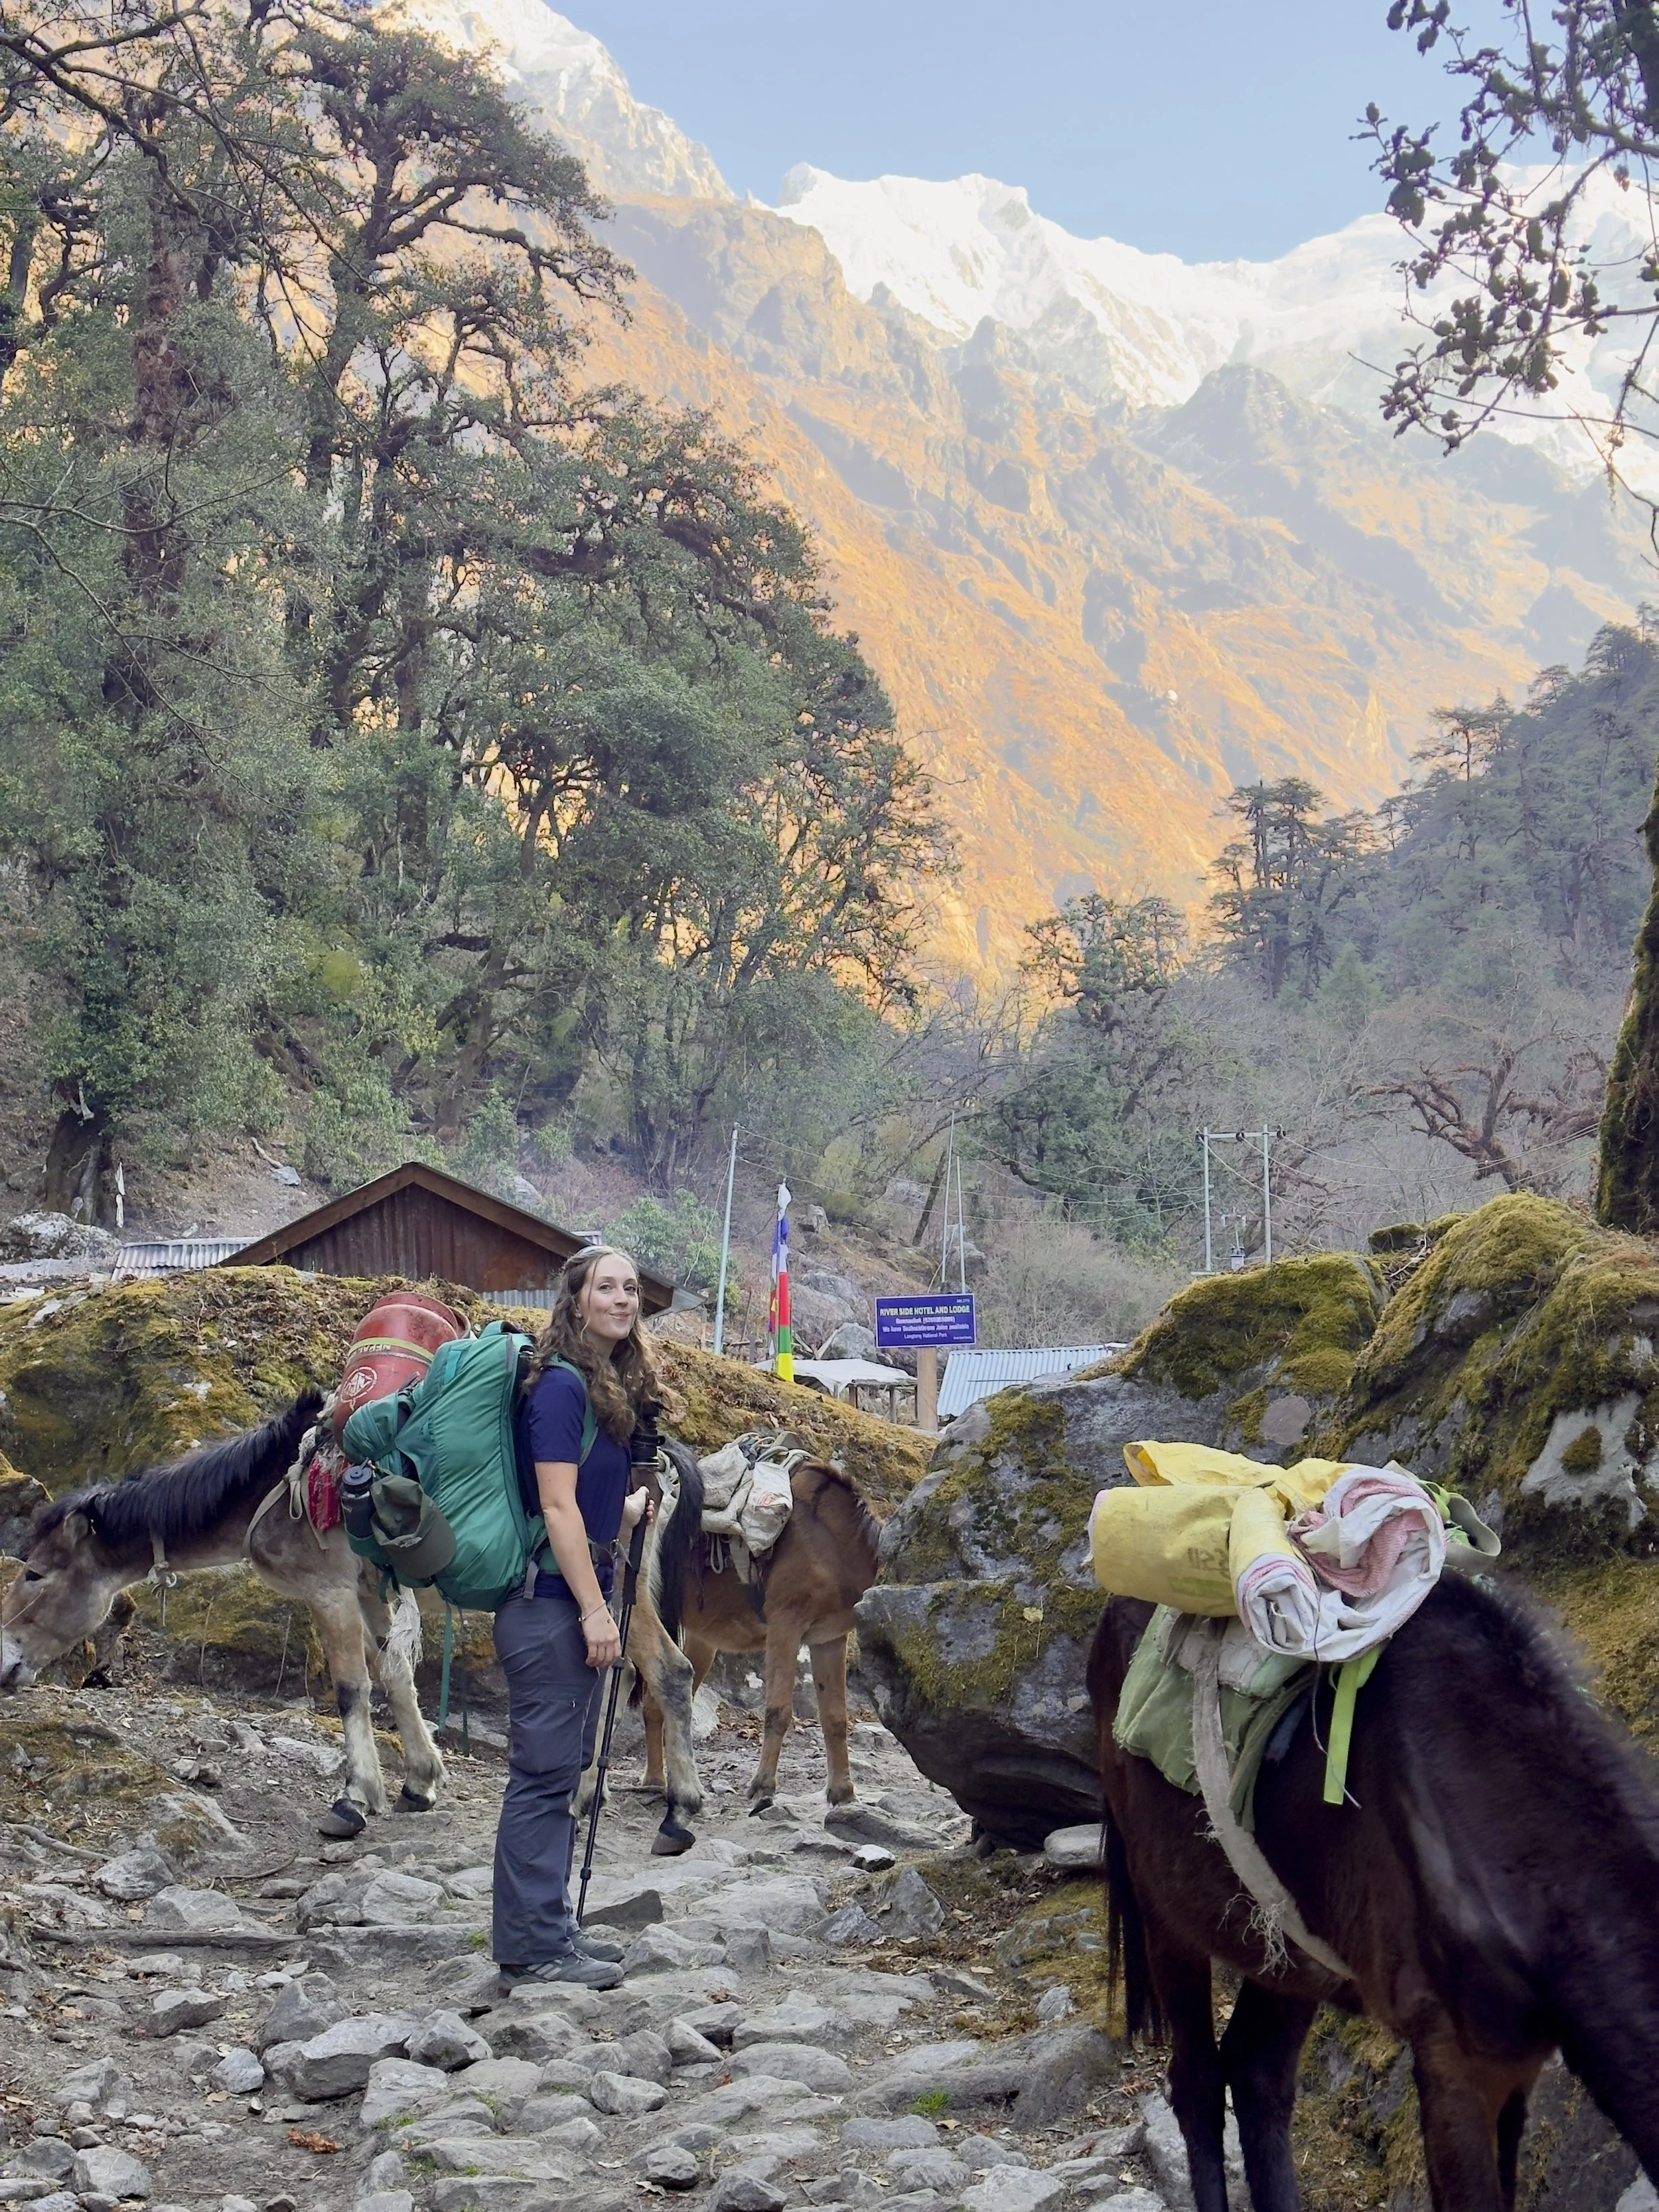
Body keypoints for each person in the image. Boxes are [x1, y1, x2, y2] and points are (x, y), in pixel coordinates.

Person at [491, 1243, 674, 1990]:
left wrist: (628, 1509)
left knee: (561, 1767)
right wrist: (599, 1613)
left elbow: (583, 1505)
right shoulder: (562, 1388)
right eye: (606, 1288)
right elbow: (557, 1507)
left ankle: (551, 1929)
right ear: (574, 1301)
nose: (623, 1299)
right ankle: (532, 1949)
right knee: (541, 1776)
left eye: (630, 1288)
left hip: (566, 1593)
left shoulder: (597, 1384)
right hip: (549, 1604)